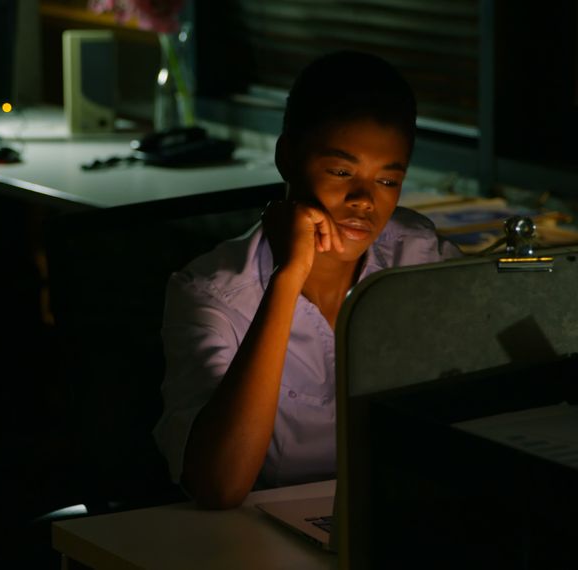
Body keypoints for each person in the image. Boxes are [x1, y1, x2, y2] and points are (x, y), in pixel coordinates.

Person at [152, 50, 463, 509]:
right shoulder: (213, 293)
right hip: (258, 536)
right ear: (287, 159)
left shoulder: (419, 258)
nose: (364, 201)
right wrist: (287, 278)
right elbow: (217, 485)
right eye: (341, 172)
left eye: (387, 181)